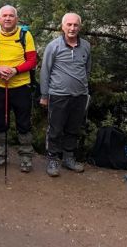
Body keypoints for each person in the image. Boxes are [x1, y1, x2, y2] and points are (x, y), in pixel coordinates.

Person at [0, 5, 38, 172]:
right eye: (4, 16)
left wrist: (15, 70)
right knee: (0, 121)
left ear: (16, 19)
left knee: (24, 123)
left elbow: (32, 60)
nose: (7, 18)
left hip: (21, 86)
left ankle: (26, 158)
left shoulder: (25, 35)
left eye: (11, 16)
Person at [40, 13, 91, 177]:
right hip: (58, 95)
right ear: (62, 27)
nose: (72, 28)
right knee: (55, 128)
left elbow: (87, 69)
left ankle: (69, 157)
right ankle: (52, 159)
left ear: (79, 27)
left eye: (75, 25)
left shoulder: (86, 46)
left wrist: (83, 87)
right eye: (69, 25)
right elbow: (45, 71)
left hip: (80, 95)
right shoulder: (53, 46)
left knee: (73, 128)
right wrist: (44, 94)